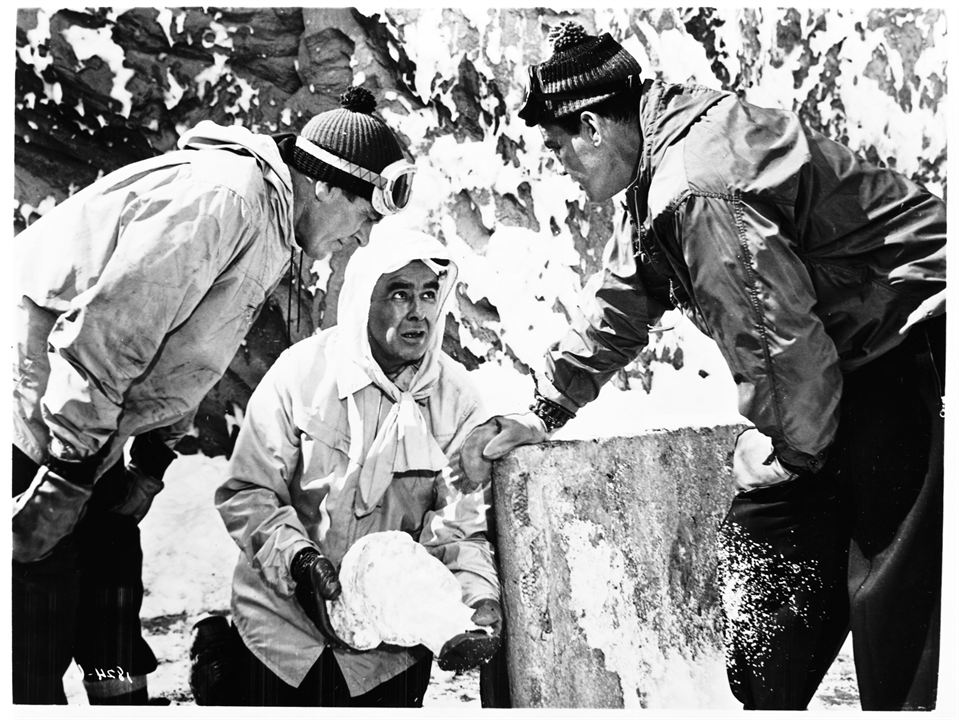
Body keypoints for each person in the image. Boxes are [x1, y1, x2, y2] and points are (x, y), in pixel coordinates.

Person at [460, 21, 946, 711]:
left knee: (902, 609)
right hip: (858, 357)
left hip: (917, 341)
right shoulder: (664, 155)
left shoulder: (693, 187)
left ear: (593, 127)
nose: (559, 164)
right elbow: (626, 297)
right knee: (782, 574)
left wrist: (794, 458)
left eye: (559, 145)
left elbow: (775, 340)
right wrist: (544, 409)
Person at [11, 85, 417, 705]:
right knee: (34, 623)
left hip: (92, 422)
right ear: (328, 187)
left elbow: (186, 354)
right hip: (41, 408)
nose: (361, 241)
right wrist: (66, 473)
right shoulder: (224, 199)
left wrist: (150, 462)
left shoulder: (275, 225)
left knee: (111, 611)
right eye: (364, 219)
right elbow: (110, 331)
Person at [212, 230, 502, 707]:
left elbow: (461, 530)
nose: (418, 312)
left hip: (386, 658)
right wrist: (301, 562)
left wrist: (473, 602)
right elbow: (248, 492)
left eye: (429, 294)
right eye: (400, 294)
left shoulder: (457, 400)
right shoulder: (301, 372)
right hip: (281, 636)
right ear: (365, 298)